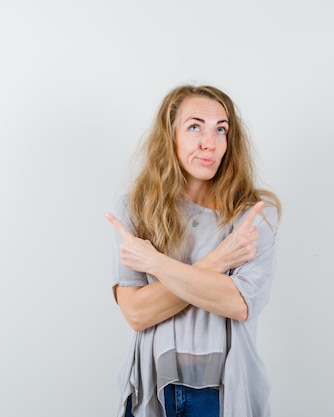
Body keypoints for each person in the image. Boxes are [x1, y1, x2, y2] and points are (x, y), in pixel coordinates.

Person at [105, 84, 282, 417]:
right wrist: (218, 261)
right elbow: (137, 314)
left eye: (221, 130)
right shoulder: (134, 209)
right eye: (194, 126)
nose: (209, 143)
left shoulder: (252, 214)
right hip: (150, 391)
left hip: (220, 395)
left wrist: (153, 262)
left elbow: (238, 303)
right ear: (170, 136)